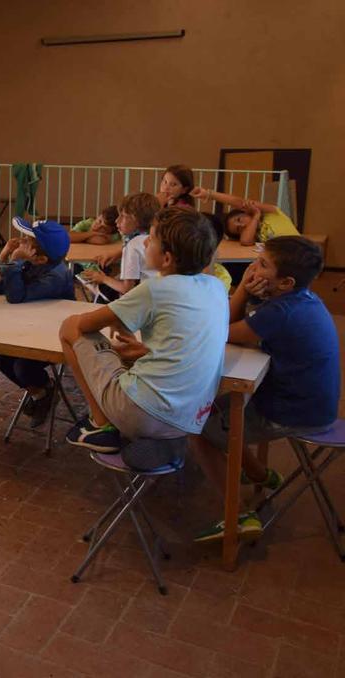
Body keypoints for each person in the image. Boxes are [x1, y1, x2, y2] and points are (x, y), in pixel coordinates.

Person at [193, 236, 340, 542]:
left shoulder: (279, 312)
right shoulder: (303, 299)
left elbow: (223, 331)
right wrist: (251, 293)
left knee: (197, 426)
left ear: (285, 282)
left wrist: (243, 290)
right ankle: (259, 473)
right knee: (221, 410)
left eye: (262, 264)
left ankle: (236, 514)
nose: (253, 268)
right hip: (315, 405)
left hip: (294, 413)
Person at [59, 207, 227, 465]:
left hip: (141, 414)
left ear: (167, 258)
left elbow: (85, 324)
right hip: (191, 419)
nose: (145, 242)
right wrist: (143, 349)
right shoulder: (215, 286)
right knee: (123, 350)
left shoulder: (155, 288)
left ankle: (100, 425)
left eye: (151, 238)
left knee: (69, 326)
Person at [0, 218, 74, 427]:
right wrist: (5, 255)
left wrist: (15, 261)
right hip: (30, 328)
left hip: (53, 336)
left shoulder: (55, 276)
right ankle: (41, 393)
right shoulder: (31, 261)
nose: (22, 241)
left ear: (41, 259)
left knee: (23, 368)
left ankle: (43, 390)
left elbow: (15, 297)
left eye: (28, 240)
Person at [81, 193, 161, 297]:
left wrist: (103, 279)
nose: (116, 221)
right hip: (157, 295)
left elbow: (127, 289)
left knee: (101, 290)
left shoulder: (132, 245)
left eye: (123, 216)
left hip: (142, 301)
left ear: (137, 221)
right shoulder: (155, 238)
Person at [191, 186, 300, 246]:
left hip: (300, 248)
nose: (242, 225)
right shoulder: (255, 235)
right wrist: (255, 216)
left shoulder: (271, 213)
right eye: (239, 229)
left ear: (245, 212)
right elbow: (245, 241)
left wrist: (210, 194)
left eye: (239, 219)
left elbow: (241, 202)